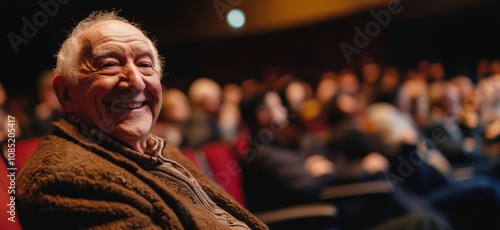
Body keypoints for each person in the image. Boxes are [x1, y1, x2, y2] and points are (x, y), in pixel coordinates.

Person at [16, 11, 267, 229]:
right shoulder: (62, 180)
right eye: (109, 64)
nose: (135, 81)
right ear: (65, 93)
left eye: (145, 65)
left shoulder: (160, 149)